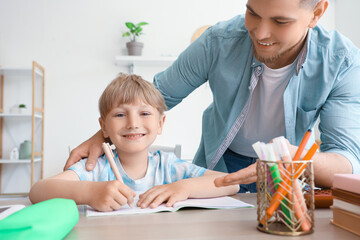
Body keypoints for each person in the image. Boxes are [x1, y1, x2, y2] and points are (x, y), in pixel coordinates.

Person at [65, 0, 360, 192]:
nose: (260, 33)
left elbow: (347, 158)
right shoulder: (219, 41)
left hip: (288, 179)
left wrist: (295, 161)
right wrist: (103, 134)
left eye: (280, 22)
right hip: (219, 171)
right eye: (252, 13)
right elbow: (155, 97)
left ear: (317, 13)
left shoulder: (342, 61)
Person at [29, 74, 239, 211]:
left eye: (145, 113)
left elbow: (232, 183)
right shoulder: (95, 169)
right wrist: (91, 192)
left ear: (160, 123)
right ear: (103, 127)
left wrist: (183, 187)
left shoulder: (168, 166)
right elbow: (38, 191)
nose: (132, 123)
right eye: (120, 115)